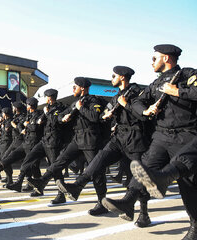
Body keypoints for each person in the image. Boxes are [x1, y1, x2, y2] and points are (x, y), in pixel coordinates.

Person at [101, 44, 197, 233]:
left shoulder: (187, 75)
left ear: (166, 59)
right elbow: (138, 101)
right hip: (161, 135)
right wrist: (145, 109)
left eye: (155, 58)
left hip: (186, 135)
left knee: (188, 186)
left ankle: (194, 226)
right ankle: (128, 201)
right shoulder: (155, 84)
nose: (151, 62)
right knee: (144, 168)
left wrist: (177, 92)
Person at [57, 68, 151, 223]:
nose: (111, 78)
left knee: (136, 177)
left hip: (135, 139)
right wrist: (106, 116)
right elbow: (101, 116)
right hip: (119, 138)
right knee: (98, 160)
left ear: (122, 77)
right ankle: (77, 186)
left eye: (114, 76)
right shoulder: (115, 97)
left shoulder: (136, 93)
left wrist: (126, 105)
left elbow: (143, 115)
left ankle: (143, 213)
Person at [28, 78, 106, 207]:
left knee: (96, 171)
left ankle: (101, 202)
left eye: (75, 87)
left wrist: (81, 108)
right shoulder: (75, 103)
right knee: (60, 161)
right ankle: (42, 181)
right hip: (77, 138)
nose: (73, 89)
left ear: (82, 88)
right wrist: (63, 118)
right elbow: (60, 116)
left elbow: (94, 117)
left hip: (90, 139)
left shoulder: (93, 101)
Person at [130, 136, 197, 239]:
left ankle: (164, 178)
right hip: (164, 134)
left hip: (185, 133)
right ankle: (129, 201)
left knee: (188, 184)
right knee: (146, 166)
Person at [0, 97, 44, 192]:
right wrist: (22, 127)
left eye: (27, 104)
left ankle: (35, 186)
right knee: (11, 156)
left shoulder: (38, 115)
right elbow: (23, 126)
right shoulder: (28, 116)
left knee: (32, 166)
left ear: (30, 106)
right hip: (25, 141)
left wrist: (23, 125)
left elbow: (33, 127)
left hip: (34, 143)